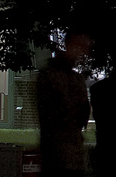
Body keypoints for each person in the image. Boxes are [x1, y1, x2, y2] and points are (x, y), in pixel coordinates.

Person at [38, 34, 93, 177]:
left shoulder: (74, 78)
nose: (83, 53)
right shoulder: (53, 76)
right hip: (58, 157)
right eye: (81, 47)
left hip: (67, 155)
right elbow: (55, 115)